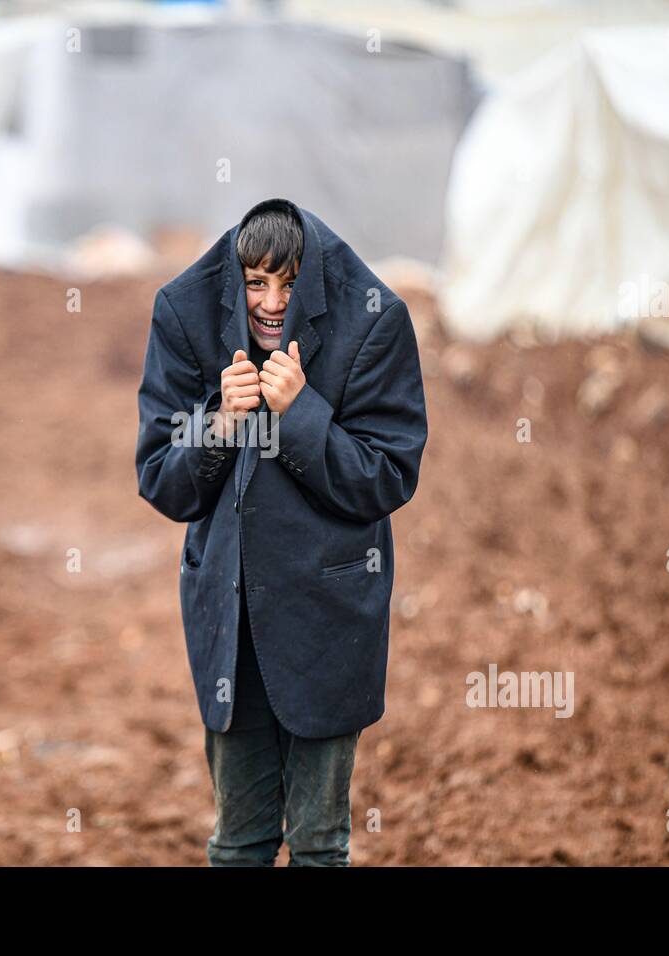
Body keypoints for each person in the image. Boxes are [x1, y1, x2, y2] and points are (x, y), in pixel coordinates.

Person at [135, 197, 428, 865]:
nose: (271, 301)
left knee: (321, 845)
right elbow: (160, 478)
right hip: (229, 616)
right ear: (234, 278)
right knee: (238, 843)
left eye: (289, 283)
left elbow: (386, 477)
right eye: (256, 281)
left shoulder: (373, 322)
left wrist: (300, 413)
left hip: (328, 618)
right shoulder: (184, 313)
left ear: (313, 283)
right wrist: (216, 426)